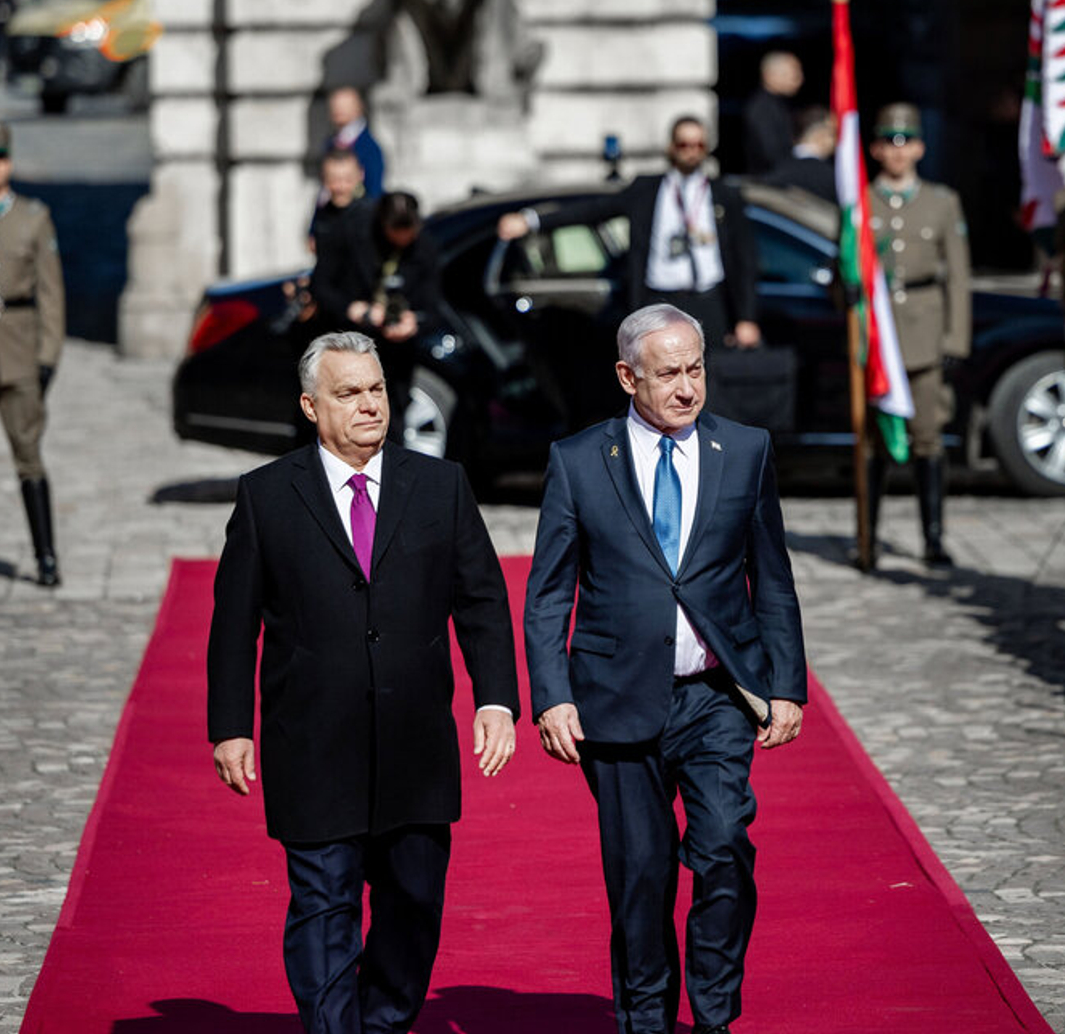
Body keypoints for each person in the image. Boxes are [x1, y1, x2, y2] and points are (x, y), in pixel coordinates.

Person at [206, 331, 518, 1033]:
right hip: (312, 744)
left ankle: (382, 1023)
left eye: (376, 389)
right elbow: (234, 623)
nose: (369, 404)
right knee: (323, 910)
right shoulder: (266, 496)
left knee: (413, 906)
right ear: (311, 407)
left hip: (416, 747)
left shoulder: (441, 486)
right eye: (348, 393)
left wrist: (496, 699)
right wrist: (229, 726)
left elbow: (482, 601)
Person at [523, 303, 806, 1034]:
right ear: (628, 377)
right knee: (640, 879)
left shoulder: (744, 450)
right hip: (616, 701)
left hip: (717, 696)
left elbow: (772, 578)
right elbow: (549, 593)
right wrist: (551, 697)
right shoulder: (580, 460)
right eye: (669, 373)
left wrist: (786, 686)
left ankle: (713, 1015)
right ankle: (646, 1020)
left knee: (724, 849)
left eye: (696, 369)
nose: (687, 388)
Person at [497, 116, 762, 350]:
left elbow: (745, 257)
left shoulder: (724, 194)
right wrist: (532, 221)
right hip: (659, 299)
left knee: (706, 376)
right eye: (684, 145)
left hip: (708, 300)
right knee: (657, 374)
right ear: (671, 147)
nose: (692, 152)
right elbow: (593, 210)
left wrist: (746, 317)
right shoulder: (646, 190)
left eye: (699, 145)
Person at [0, 120, 66, 588]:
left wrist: (47, 357)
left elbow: (52, 293)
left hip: (20, 352)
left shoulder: (33, 218)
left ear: (10, 162)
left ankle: (45, 557)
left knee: (29, 456)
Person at [864, 103, 972, 567]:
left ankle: (932, 538)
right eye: (889, 142)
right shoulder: (860, 203)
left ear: (921, 149)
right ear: (875, 149)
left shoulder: (942, 202)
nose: (897, 151)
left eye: (906, 141)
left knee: (928, 438)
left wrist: (955, 339)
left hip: (925, 335)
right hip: (878, 339)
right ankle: (867, 537)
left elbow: (959, 277)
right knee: (874, 443)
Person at [309, 192, 438, 436]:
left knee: (391, 420)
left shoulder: (423, 248)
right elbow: (321, 286)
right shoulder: (351, 236)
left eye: (408, 232)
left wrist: (413, 322)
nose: (402, 239)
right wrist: (354, 309)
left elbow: (433, 305)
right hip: (348, 345)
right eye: (395, 231)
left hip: (396, 355)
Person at [742, 51, 802, 176]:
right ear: (769, 75)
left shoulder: (779, 104)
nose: (799, 79)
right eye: (792, 74)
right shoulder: (762, 107)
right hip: (768, 181)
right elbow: (771, 152)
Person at [307, 147, 371, 259]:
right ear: (323, 179)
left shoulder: (371, 216)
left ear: (361, 175)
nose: (341, 187)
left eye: (348, 180)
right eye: (334, 180)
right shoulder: (323, 213)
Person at [763, 106, 836, 202]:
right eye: (832, 134)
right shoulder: (830, 176)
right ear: (820, 135)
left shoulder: (773, 167)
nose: (836, 141)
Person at [325, 86, 386, 198]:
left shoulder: (368, 147)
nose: (338, 110)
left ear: (359, 107)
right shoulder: (331, 142)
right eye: (335, 105)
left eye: (345, 106)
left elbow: (374, 190)